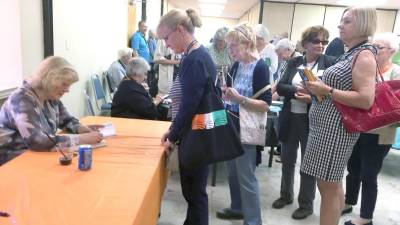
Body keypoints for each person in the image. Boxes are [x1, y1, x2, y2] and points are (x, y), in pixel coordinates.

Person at [301, 6, 377, 225]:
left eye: (347, 21)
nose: (340, 26)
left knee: (328, 187)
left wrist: (328, 91)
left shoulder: (364, 55)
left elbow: (365, 99)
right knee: (331, 185)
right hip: (326, 128)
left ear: (362, 23)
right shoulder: (352, 52)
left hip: (336, 131)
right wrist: (319, 89)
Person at [157, 8, 216, 225]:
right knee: (194, 193)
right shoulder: (196, 56)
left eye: (166, 37)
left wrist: (173, 135)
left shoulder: (194, 59)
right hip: (199, 131)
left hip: (197, 134)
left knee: (194, 192)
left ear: (180, 30)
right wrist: (174, 131)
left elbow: (189, 105)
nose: (167, 44)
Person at [274, 25, 336, 220]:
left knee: (308, 165)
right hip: (290, 117)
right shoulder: (294, 62)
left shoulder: (330, 63)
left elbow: (333, 94)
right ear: (306, 43)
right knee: (287, 160)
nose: (321, 45)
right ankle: (285, 195)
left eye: (324, 42)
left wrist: (312, 97)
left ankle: (306, 204)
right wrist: (296, 92)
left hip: (313, 121)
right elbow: (281, 87)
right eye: (316, 41)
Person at [0, 56, 103, 165]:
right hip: (13, 161)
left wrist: (80, 128)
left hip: (37, 156)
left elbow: (66, 120)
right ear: (50, 79)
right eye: (64, 84)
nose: (67, 90)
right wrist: (81, 139)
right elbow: (36, 141)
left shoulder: (50, 96)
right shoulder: (21, 100)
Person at [342, 32, 400, 225]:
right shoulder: (368, 67)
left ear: (392, 51)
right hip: (359, 127)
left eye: (380, 47)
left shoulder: (396, 72)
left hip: (381, 133)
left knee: (369, 174)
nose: (374, 51)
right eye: (373, 46)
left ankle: (366, 217)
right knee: (353, 169)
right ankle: (348, 201)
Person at [216, 24, 271, 225]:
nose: (230, 51)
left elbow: (265, 105)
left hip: (247, 126)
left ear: (247, 44)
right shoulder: (237, 65)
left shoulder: (261, 67)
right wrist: (228, 94)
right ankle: (238, 208)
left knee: (246, 175)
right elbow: (234, 94)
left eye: (233, 46)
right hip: (232, 122)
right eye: (229, 47)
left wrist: (240, 99)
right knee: (232, 171)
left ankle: (254, 221)